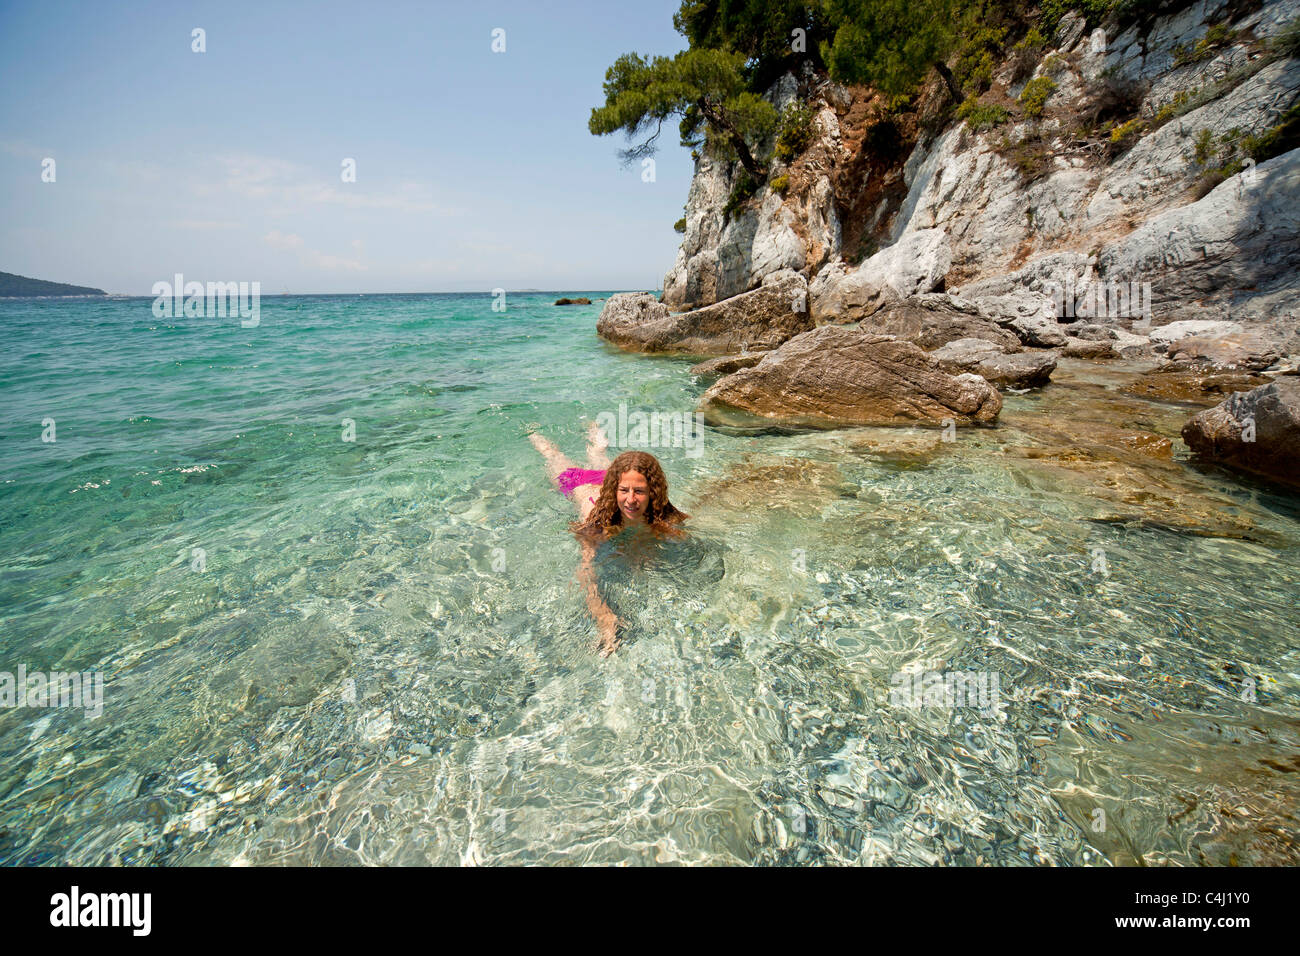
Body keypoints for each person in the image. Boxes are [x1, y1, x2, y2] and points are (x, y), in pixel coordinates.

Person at [529, 422, 688, 657]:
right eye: (624, 492)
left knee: (600, 457)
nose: (631, 500)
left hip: (611, 478)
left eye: (640, 492)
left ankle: (597, 447)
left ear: (653, 491)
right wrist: (604, 616)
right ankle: (532, 430)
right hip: (576, 481)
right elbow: (586, 573)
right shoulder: (597, 524)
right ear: (616, 489)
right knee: (552, 454)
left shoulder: (648, 504)